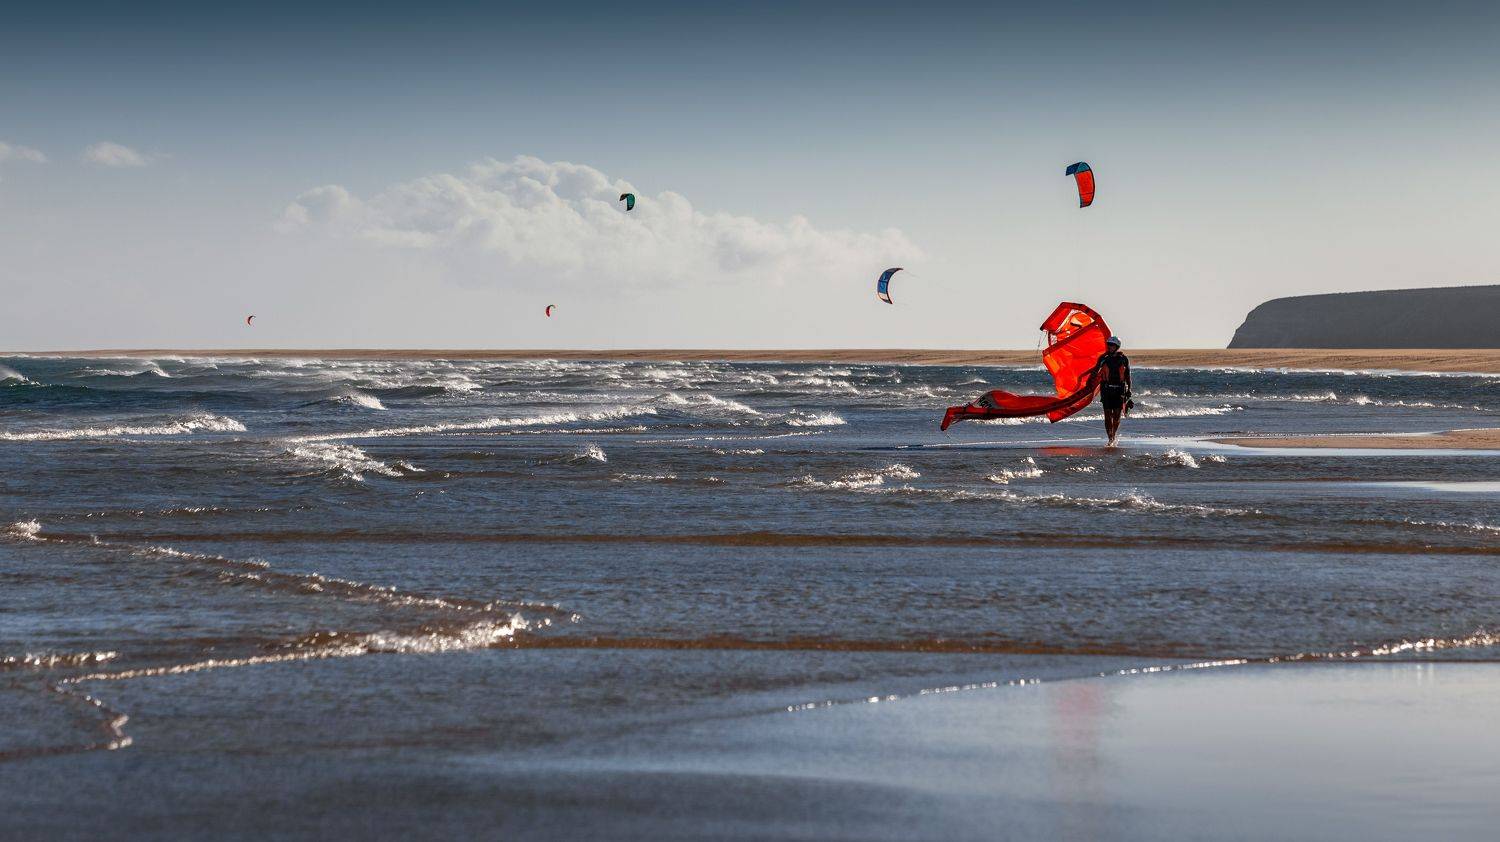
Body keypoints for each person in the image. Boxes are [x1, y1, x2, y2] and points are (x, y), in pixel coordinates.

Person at [1095, 336, 1131, 446]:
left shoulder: (1124, 359)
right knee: (1107, 415)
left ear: (1117, 347)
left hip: (1119, 390)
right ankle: (1110, 438)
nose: (1109, 347)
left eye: (1112, 345)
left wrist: (1129, 390)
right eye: (1109, 344)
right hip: (1106, 389)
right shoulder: (1103, 358)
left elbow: (1128, 376)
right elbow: (1095, 372)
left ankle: (1113, 434)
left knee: (1116, 416)